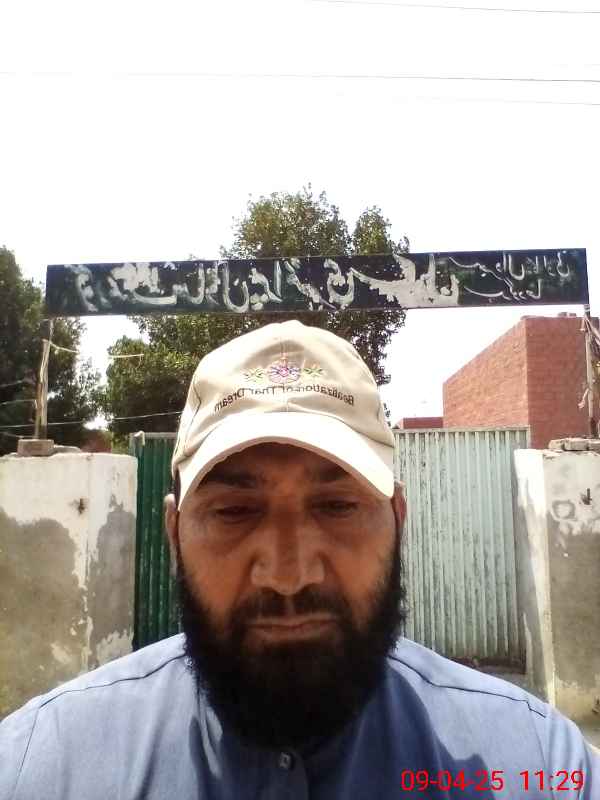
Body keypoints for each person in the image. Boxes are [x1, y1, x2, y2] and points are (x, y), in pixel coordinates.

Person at [1, 320, 598, 799]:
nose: (289, 575)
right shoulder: (39, 767)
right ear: (174, 532)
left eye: (336, 507)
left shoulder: (541, 765)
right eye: (235, 512)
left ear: (397, 520)